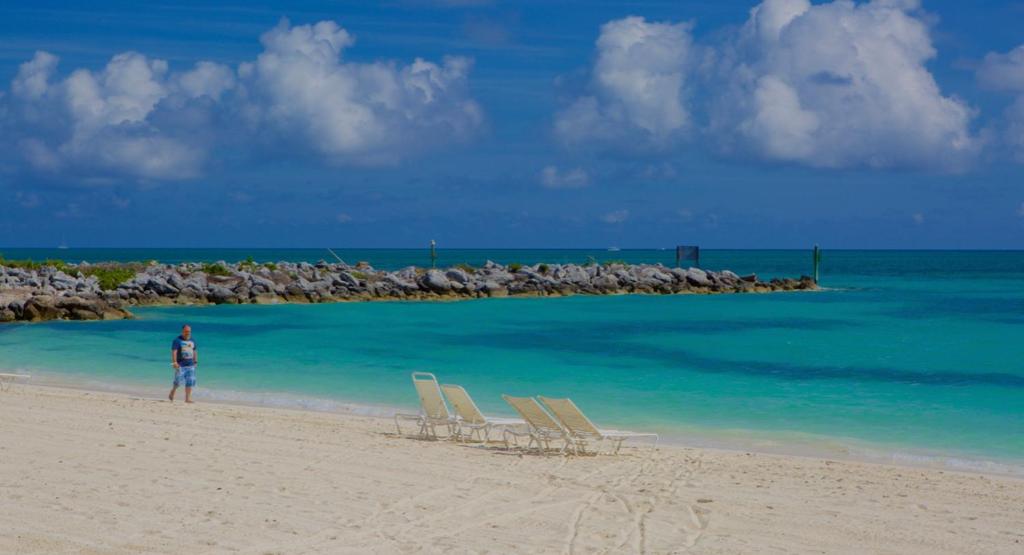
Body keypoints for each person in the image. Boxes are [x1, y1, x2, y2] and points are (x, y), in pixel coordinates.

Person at [169, 324, 198, 403]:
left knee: (190, 382)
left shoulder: (192, 340)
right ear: (182, 331)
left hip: (191, 365)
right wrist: (175, 362)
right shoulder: (177, 340)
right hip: (180, 365)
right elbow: (174, 352)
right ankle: (173, 391)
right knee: (178, 382)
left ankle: (187, 399)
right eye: (186, 331)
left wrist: (195, 361)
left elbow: (194, 351)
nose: (187, 333)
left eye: (189, 331)